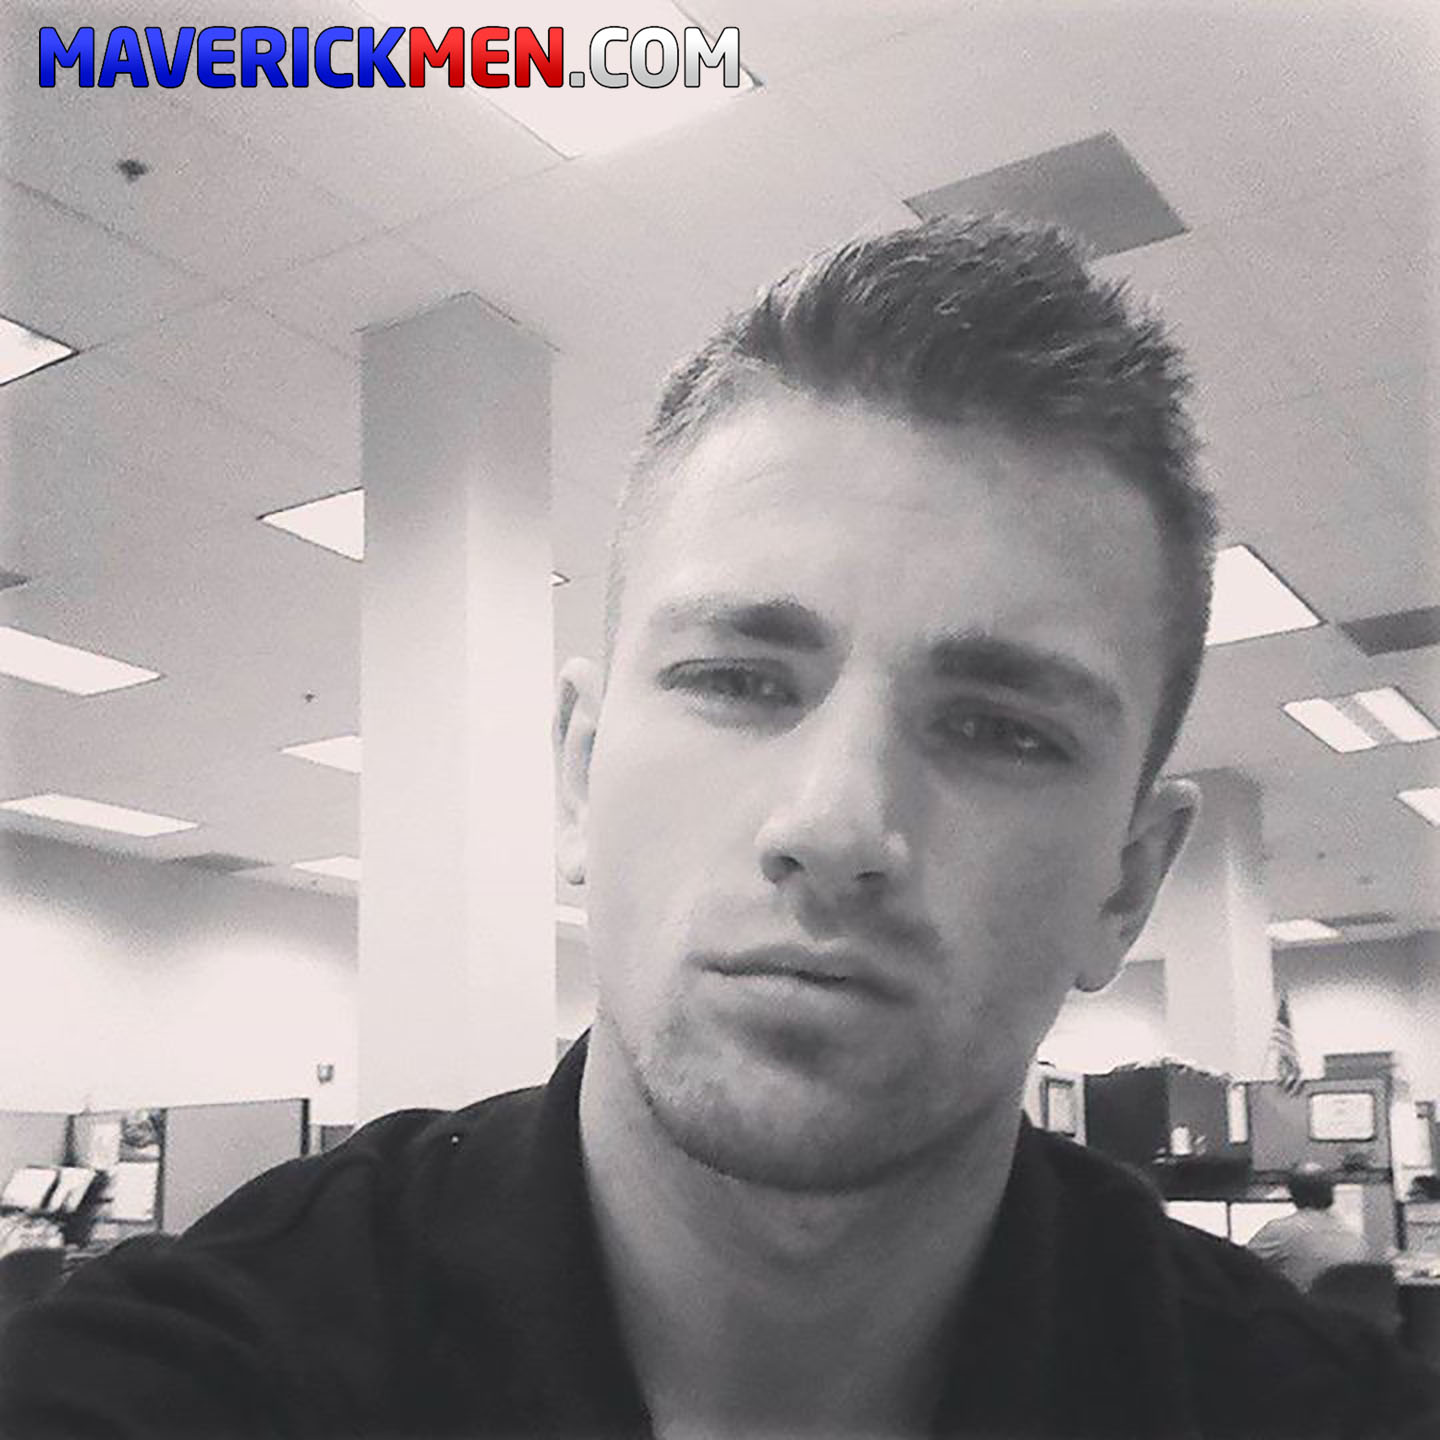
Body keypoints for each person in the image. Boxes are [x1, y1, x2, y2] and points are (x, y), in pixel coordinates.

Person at [2, 217, 1437, 1439]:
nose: (836, 824)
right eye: (740, 681)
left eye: (1004, 730)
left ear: (1126, 884)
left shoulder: (1309, 1405)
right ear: (580, 774)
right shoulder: (180, 1375)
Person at [1248, 1163, 1375, 1293]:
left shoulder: (1279, 1231)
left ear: (1293, 1194)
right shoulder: (1355, 1236)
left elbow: (1239, 1267)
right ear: (1331, 1194)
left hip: (1299, 1305)